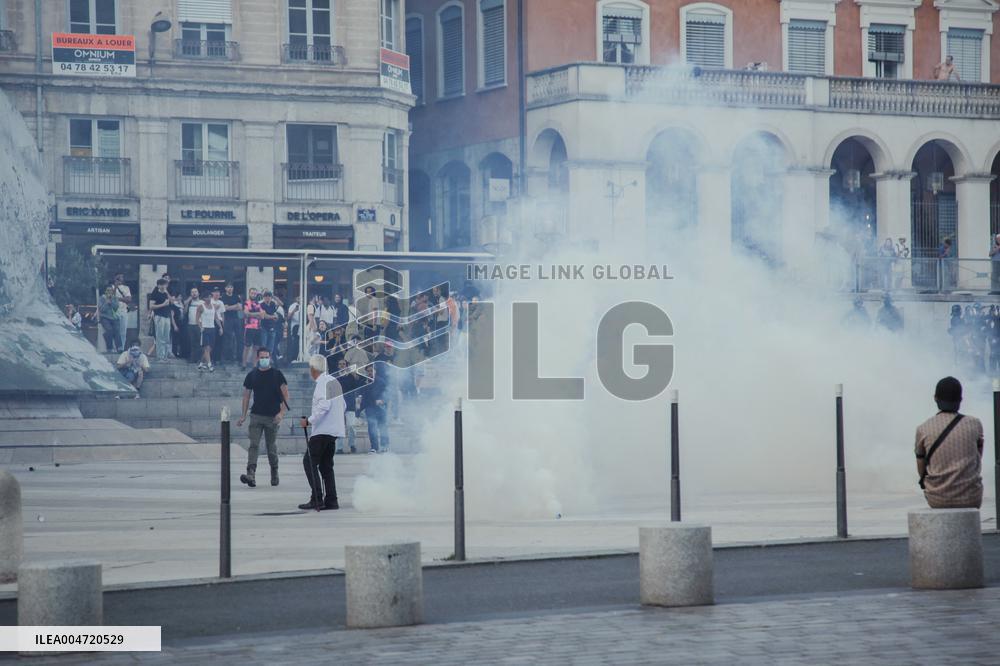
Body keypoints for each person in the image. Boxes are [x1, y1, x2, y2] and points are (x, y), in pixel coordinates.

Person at [915, 377, 983, 509]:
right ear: (961, 399)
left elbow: (920, 464)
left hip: (936, 498)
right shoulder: (975, 424)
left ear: (935, 398)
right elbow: (978, 456)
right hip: (971, 496)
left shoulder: (923, 428)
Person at [298, 354, 347, 511]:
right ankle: (332, 500)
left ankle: (317, 498)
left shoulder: (322, 383)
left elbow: (324, 406)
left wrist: (309, 420)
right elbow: (343, 406)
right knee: (326, 466)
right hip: (333, 431)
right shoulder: (334, 382)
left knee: (309, 462)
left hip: (322, 431)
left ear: (313, 369)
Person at [238, 348, 289, 488]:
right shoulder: (252, 375)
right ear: (257, 358)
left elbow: (285, 395)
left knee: (271, 447)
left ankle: (274, 470)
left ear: (270, 357)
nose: (264, 359)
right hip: (256, 415)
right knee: (253, 445)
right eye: (262, 357)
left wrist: (281, 413)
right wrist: (243, 415)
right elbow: (246, 396)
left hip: (272, 417)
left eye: (266, 357)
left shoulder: (277, 375)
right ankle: (251, 473)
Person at [362, 343, 391, 453]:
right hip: (370, 407)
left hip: (381, 407)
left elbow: (388, 393)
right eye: (368, 371)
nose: (369, 373)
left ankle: (385, 446)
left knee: (382, 426)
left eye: (371, 370)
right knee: (372, 427)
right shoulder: (364, 383)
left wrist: (383, 400)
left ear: (375, 371)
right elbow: (362, 396)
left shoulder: (381, 381)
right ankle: (374, 447)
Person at [195, 293, 222, 372]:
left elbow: (216, 318)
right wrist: (201, 327)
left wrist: (220, 327)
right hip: (205, 328)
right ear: (204, 299)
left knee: (210, 348)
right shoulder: (201, 307)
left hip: (212, 328)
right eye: (207, 297)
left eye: (210, 297)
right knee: (206, 347)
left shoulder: (213, 306)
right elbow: (197, 319)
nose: (209, 299)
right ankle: (209, 365)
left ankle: (201, 363)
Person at [147, 279, 172, 360]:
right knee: (160, 337)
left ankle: (165, 356)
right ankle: (160, 356)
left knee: (167, 337)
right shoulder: (155, 293)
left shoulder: (166, 293)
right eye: (161, 285)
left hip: (167, 316)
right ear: (158, 285)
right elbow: (151, 306)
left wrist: (167, 293)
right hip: (159, 316)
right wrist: (163, 304)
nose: (162, 286)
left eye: (164, 284)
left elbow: (172, 301)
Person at [243, 288, 264, 369]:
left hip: (258, 327)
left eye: (255, 293)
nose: (253, 295)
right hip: (249, 327)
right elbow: (246, 314)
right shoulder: (246, 303)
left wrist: (253, 314)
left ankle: (254, 365)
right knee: (247, 347)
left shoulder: (258, 304)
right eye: (252, 293)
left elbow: (262, 316)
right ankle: (244, 364)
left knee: (256, 347)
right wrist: (258, 314)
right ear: (249, 293)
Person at [112, 273, 131, 351]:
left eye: (121, 277)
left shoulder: (126, 288)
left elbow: (129, 300)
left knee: (123, 331)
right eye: (118, 277)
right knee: (115, 330)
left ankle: (121, 348)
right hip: (114, 311)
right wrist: (115, 287)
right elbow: (109, 299)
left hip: (123, 311)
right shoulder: (111, 287)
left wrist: (118, 299)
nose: (120, 279)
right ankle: (113, 348)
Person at [98, 287, 120, 352]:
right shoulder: (102, 298)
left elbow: (116, 308)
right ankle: (109, 348)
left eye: (111, 291)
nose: (110, 292)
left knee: (117, 330)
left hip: (114, 318)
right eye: (108, 290)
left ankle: (119, 347)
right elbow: (101, 310)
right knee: (109, 330)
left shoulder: (115, 298)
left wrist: (111, 303)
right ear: (105, 291)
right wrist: (106, 303)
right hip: (104, 317)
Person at [184, 288, 201, 363]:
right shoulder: (189, 302)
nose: (194, 293)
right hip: (190, 324)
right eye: (192, 292)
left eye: (195, 292)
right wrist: (188, 300)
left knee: (199, 342)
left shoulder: (202, 302)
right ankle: (192, 358)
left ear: (198, 293)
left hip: (199, 325)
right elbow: (184, 312)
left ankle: (199, 358)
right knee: (192, 342)